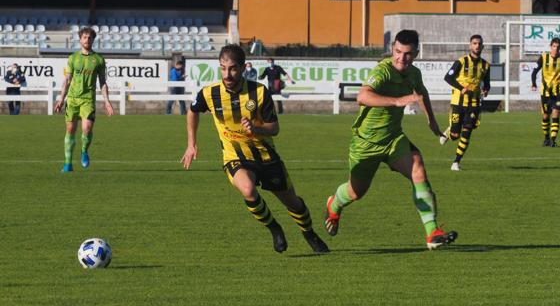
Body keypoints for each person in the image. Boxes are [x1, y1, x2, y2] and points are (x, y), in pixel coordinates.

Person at [181, 45, 329, 254]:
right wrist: (191, 144)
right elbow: (192, 111)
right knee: (248, 190)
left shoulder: (258, 92)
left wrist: (257, 128)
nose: (227, 74)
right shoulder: (210, 93)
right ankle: (275, 229)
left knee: (293, 203)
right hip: (234, 155)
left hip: (265, 155)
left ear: (242, 68)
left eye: (232, 69)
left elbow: (274, 128)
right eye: (223, 68)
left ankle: (309, 233)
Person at [323, 30, 457, 250]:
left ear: (416, 53)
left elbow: (421, 94)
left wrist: (431, 121)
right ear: (392, 49)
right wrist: (397, 101)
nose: (401, 58)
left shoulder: (413, 73)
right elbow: (362, 96)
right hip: (366, 143)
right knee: (356, 192)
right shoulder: (382, 70)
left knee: (418, 168)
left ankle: (432, 232)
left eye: (407, 54)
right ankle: (334, 204)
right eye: (397, 52)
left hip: (393, 139)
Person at [53, 27, 114, 172]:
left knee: (86, 128)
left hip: (88, 99)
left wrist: (107, 101)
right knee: (70, 130)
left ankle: (84, 151)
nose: (87, 40)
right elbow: (67, 79)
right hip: (73, 99)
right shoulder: (73, 58)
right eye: (85, 37)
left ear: (93, 40)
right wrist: (61, 99)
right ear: (80, 40)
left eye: (90, 37)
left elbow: (103, 82)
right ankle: (68, 164)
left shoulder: (98, 59)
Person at [439, 34, 491, 171]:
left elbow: (487, 83)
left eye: (479, 43)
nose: (477, 46)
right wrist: (461, 88)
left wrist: (486, 90)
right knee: (456, 135)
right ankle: (449, 132)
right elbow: (447, 77)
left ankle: (456, 162)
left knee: (467, 132)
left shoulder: (485, 65)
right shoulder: (461, 62)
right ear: (470, 45)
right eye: (474, 43)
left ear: (483, 46)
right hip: (458, 103)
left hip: (474, 104)